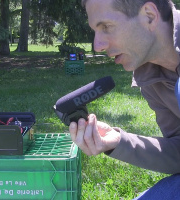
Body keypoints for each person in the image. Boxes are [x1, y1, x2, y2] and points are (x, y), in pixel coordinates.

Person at [69, 0, 180, 199]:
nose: (98, 45)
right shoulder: (149, 75)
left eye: (106, 27)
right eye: (95, 30)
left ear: (149, 16)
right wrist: (118, 142)